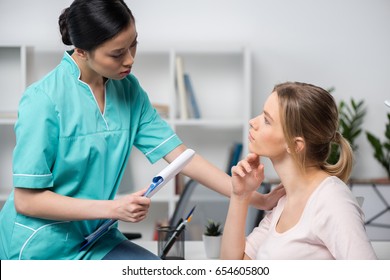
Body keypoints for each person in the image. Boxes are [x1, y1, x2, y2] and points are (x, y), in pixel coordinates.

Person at [0, 0, 284, 260]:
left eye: (133, 45)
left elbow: (183, 157)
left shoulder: (128, 90)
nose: (129, 60)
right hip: (40, 246)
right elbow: (27, 200)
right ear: (82, 51)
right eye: (117, 53)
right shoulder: (43, 100)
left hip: (96, 238)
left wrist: (258, 199)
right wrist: (114, 208)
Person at [220, 82, 377, 260]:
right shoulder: (285, 200)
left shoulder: (332, 200)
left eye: (266, 120)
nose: (253, 122)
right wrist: (240, 195)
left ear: (295, 145)